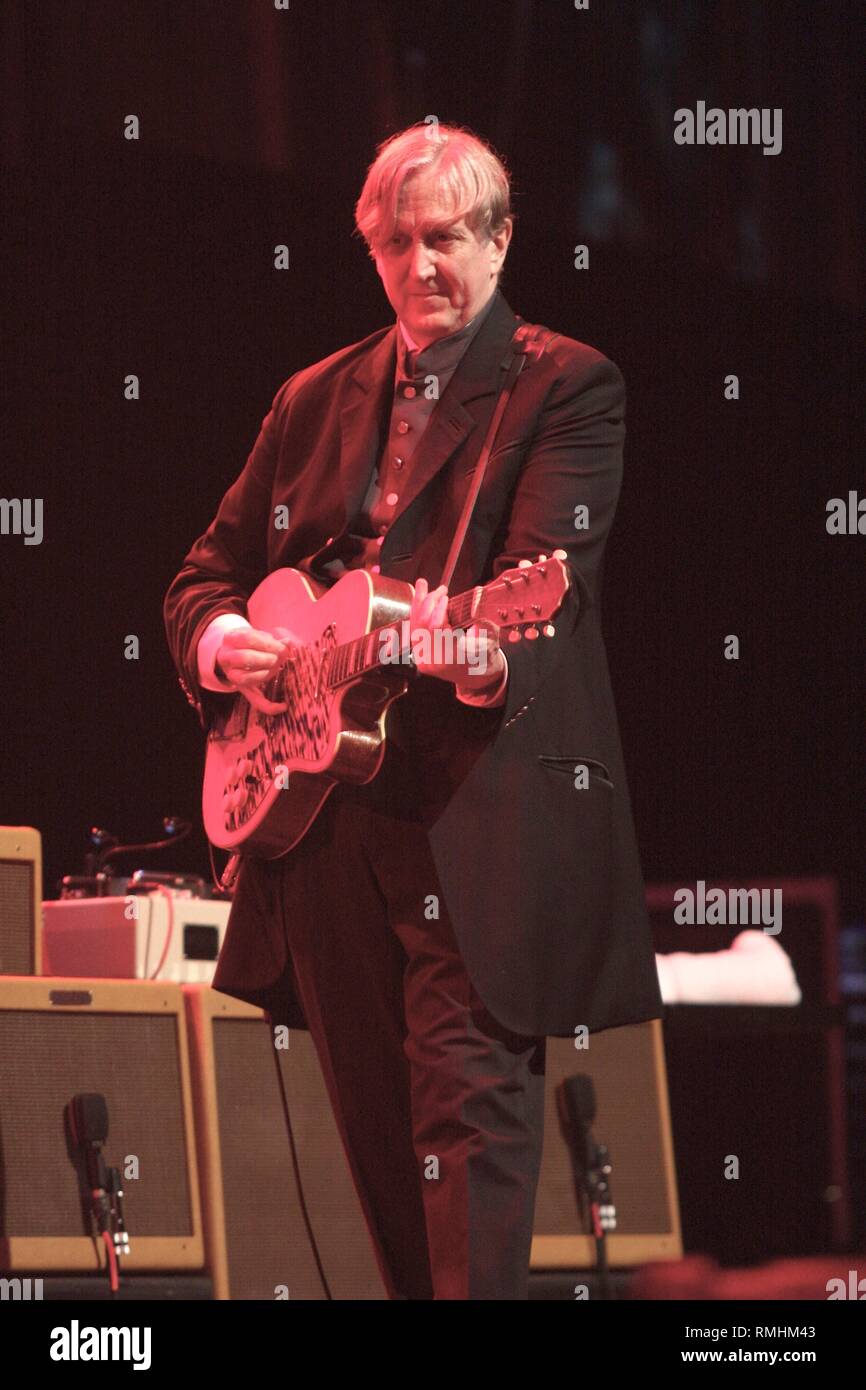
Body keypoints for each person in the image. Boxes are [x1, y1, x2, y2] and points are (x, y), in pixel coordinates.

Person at [164, 122, 663, 1300]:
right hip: (321, 826)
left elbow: (552, 592)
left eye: (441, 238)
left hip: (476, 819)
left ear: (497, 240)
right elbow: (200, 578)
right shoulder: (311, 396)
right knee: (386, 1165)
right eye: (393, 244)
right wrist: (226, 641)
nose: (417, 266)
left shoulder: (565, 383)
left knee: (469, 1151)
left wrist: (474, 653)